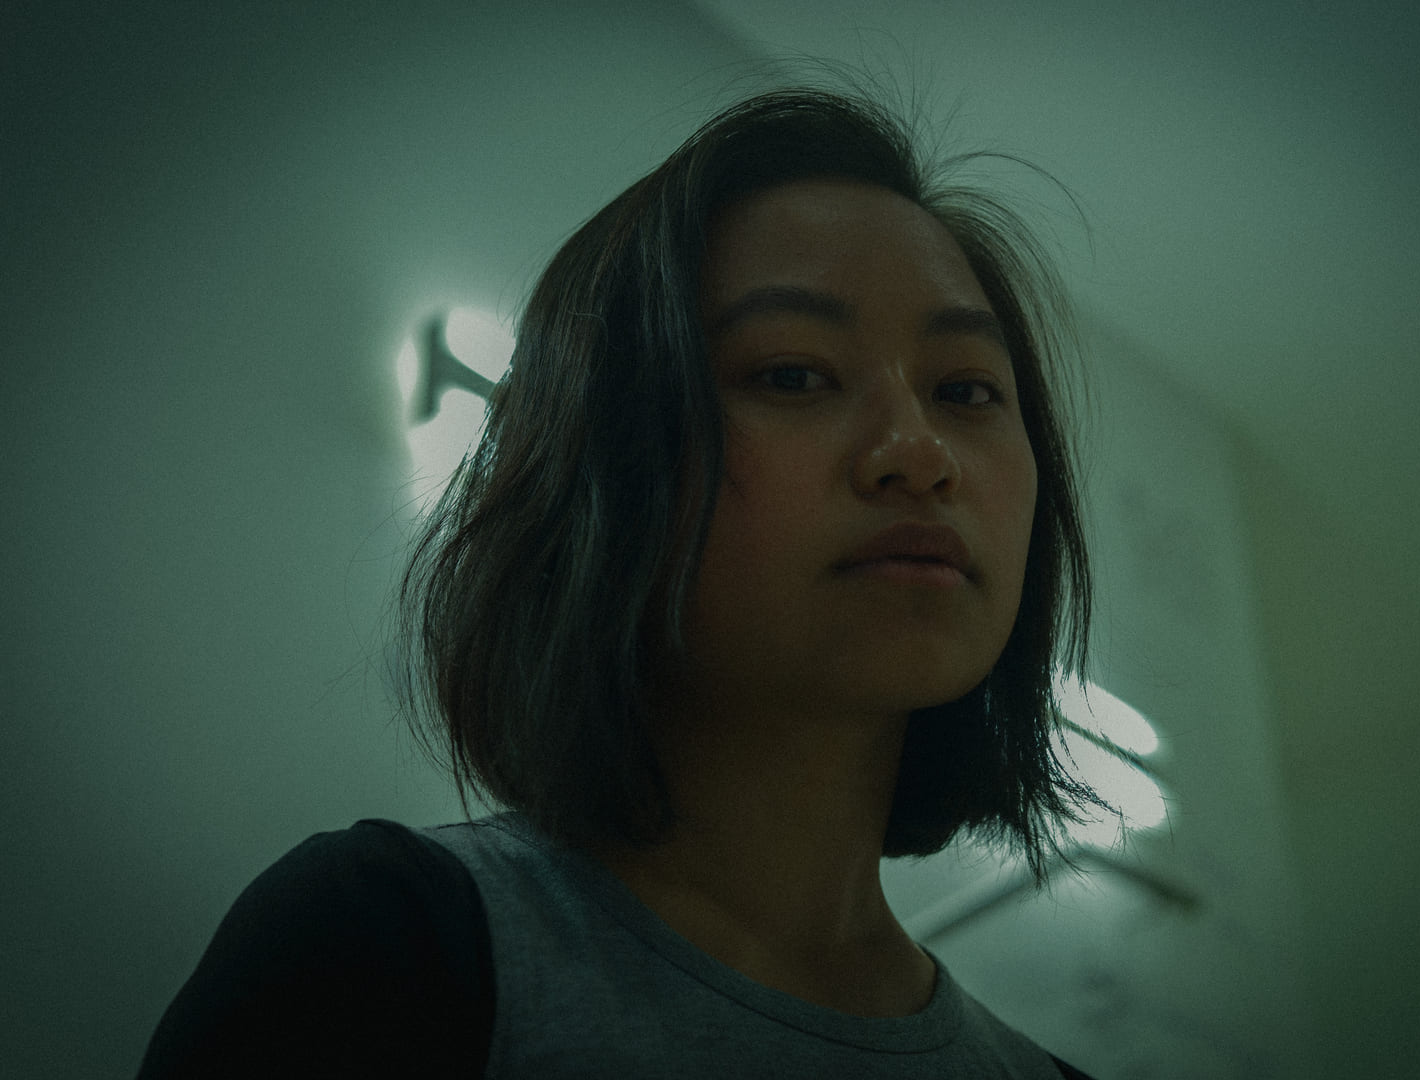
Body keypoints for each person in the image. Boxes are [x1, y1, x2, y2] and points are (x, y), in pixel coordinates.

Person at [137, 77, 1106, 1079]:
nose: (918, 452)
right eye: (792, 373)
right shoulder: (381, 947)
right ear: (607, 465)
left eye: (966, 391)